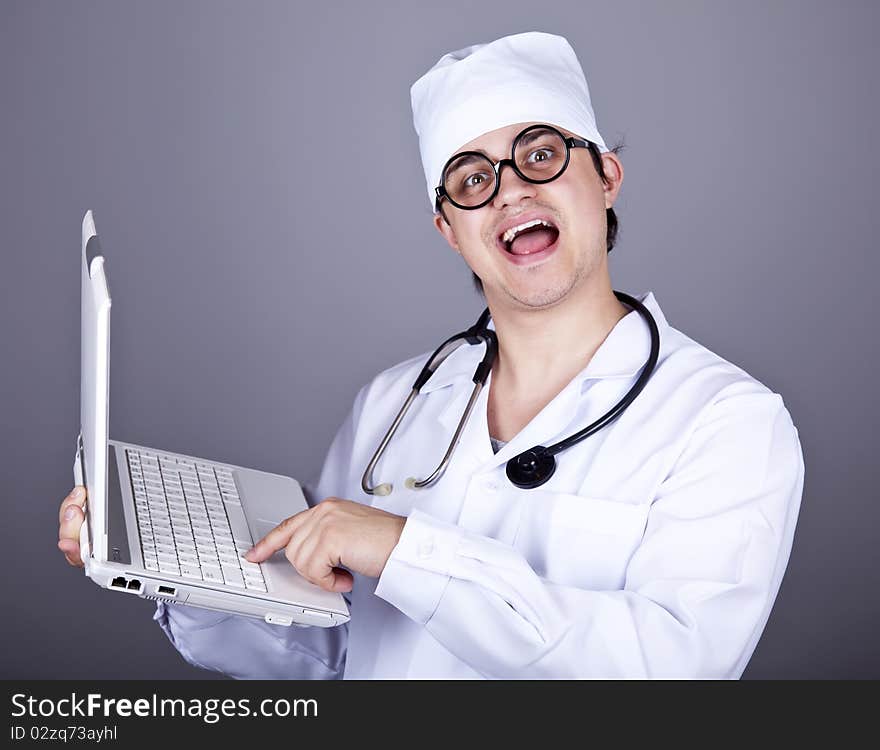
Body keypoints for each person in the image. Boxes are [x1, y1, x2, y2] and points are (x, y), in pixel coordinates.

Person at [57, 31, 805, 679]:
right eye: (471, 177)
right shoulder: (393, 403)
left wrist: (408, 550)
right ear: (450, 228)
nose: (510, 190)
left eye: (540, 154)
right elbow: (335, 653)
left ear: (606, 175)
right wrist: (177, 571)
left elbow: (672, 670)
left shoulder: (727, 421)